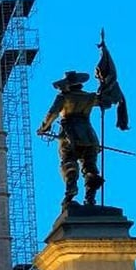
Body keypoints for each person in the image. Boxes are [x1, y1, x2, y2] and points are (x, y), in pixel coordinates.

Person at [37, 70, 103, 209]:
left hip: (69, 135)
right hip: (89, 135)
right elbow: (106, 102)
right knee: (90, 165)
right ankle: (90, 197)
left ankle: (70, 190)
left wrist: (43, 128)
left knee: (68, 162)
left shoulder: (63, 97)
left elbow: (53, 113)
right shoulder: (90, 97)